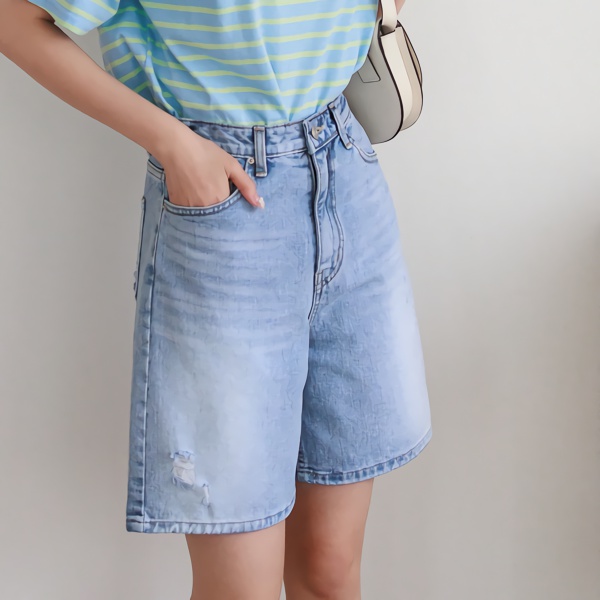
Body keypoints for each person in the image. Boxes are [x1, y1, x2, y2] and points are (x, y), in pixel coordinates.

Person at [0, 0, 432, 597]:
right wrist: (172, 143)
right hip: (226, 207)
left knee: (330, 570)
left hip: (345, 170)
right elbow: (14, 19)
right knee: (240, 588)